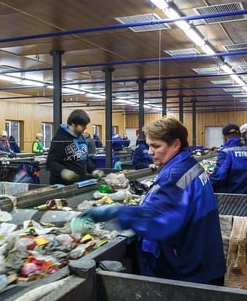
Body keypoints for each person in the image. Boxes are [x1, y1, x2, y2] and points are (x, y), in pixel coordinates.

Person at [78, 117, 225, 285]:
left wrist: (117, 212)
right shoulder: (189, 165)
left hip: (186, 267)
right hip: (200, 257)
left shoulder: (175, 175)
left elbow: (159, 221)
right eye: (149, 145)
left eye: (156, 146)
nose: (150, 151)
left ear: (176, 144)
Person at [46, 109, 101, 185]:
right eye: (82, 125)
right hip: (62, 185)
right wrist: (62, 171)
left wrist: (93, 170)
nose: (85, 127)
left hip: (79, 183)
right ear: (73, 123)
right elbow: (51, 162)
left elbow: (84, 157)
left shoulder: (81, 138)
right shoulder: (60, 139)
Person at [209, 124, 247, 194]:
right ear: (240, 135)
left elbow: (220, 175)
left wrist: (208, 185)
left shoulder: (226, 151)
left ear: (224, 137)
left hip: (230, 196)